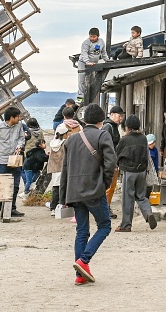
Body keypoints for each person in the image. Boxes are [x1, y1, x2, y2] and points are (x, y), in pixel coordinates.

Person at [60, 104, 116, 286]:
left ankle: (80, 275)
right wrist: (104, 184)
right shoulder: (103, 135)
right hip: (93, 189)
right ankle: (83, 261)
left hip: (74, 190)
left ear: (83, 120)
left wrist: (63, 197)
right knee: (105, 226)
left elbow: (65, 169)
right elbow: (111, 163)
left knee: (82, 231)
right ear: (101, 120)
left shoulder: (71, 139)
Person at [115, 115, 158, 232]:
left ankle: (126, 225)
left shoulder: (124, 139)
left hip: (129, 172)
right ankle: (148, 213)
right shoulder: (143, 138)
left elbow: (117, 155)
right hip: (141, 171)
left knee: (128, 198)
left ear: (127, 127)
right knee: (141, 196)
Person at [103, 106, 125, 217]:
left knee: (111, 186)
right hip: (110, 161)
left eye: (121, 116)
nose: (120, 118)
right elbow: (107, 146)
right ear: (111, 114)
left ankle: (106, 207)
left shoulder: (113, 126)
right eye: (118, 115)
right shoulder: (108, 127)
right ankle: (105, 208)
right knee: (109, 186)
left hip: (112, 160)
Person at [77, 28, 109, 101]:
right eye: (91, 36)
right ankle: (80, 98)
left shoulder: (101, 42)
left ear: (98, 36)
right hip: (83, 62)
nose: (92, 38)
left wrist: (107, 59)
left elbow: (103, 52)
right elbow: (84, 53)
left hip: (93, 64)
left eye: (94, 37)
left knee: (92, 80)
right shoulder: (86, 43)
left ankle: (89, 97)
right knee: (82, 80)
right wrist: (87, 62)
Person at [46, 123, 69, 216]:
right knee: (62, 187)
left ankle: (53, 207)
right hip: (62, 168)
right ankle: (58, 205)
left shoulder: (52, 143)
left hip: (54, 168)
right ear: (64, 134)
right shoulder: (65, 143)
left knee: (55, 186)